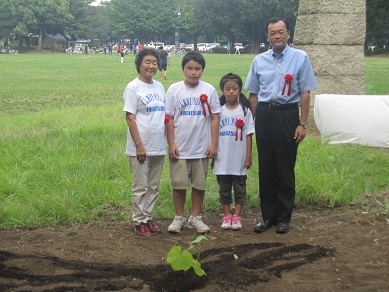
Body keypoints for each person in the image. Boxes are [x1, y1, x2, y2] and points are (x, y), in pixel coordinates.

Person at [244, 17, 318, 234]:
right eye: (272, 33)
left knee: (285, 166)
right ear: (267, 36)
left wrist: (302, 123)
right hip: (265, 115)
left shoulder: (300, 58)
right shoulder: (259, 61)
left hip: (287, 115)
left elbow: (305, 93)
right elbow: (254, 95)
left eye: (280, 32)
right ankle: (267, 216)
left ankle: (284, 218)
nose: (277, 36)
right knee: (266, 166)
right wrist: (252, 123)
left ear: (288, 34)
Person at [165, 51, 221, 234]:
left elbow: (214, 118)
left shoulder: (209, 90)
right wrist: (171, 143)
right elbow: (169, 118)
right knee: (179, 184)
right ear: (182, 69)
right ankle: (179, 217)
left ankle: (195, 217)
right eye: (189, 68)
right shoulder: (174, 89)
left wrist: (214, 144)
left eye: (197, 69)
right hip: (180, 147)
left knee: (199, 184)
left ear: (202, 70)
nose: (193, 72)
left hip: (201, 147)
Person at [122, 48, 166, 237]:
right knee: (141, 185)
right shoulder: (133, 87)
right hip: (140, 146)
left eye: (154, 62)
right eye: (147, 62)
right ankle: (139, 221)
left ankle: (148, 217)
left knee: (154, 185)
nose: (151, 66)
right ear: (139, 64)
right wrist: (139, 145)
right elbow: (130, 118)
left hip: (158, 144)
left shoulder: (159, 86)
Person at [212, 73, 255, 230]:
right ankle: (226, 216)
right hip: (222, 158)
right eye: (227, 89)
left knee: (239, 188)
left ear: (239, 90)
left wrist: (248, 156)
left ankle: (237, 216)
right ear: (222, 90)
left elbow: (249, 134)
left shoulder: (245, 111)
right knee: (224, 189)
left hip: (239, 158)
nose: (231, 92)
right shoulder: (219, 111)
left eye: (234, 89)